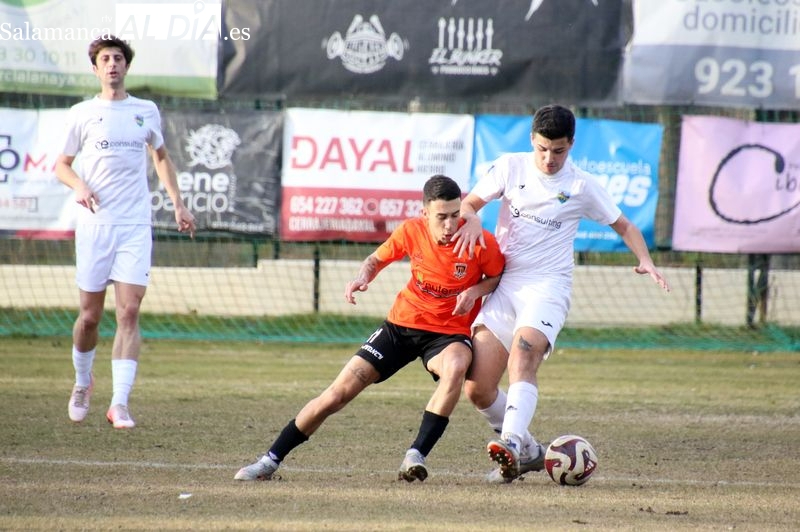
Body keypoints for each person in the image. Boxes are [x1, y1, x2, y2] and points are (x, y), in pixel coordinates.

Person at [234, 175, 505, 482]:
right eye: (441, 217)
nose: (449, 225)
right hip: (400, 326)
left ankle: (415, 455)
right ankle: (269, 461)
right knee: (338, 393)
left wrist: (473, 292)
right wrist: (363, 277)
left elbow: (496, 277)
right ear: (424, 214)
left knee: (456, 367)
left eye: (455, 215)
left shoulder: (480, 242)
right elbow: (375, 259)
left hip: (448, 334)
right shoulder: (410, 231)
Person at [452, 104, 670, 483]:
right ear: (531, 142)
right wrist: (469, 218)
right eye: (541, 149)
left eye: (558, 151)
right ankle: (533, 453)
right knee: (477, 388)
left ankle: (511, 444)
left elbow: (625, 225)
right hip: (505, 285)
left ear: (571, 144)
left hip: (548, 287)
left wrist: (646, 260)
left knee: (524, 354)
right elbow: (470, 203)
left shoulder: (582, 186)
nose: (549, 159)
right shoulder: (510, 167)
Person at [55, 35, 196, 429]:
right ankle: (83, 381)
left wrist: (178, 203)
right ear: (96, 68)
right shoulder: (82, 113)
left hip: (135, 225)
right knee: (89, 316)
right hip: (95, 225)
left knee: (129, 311)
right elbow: (61, 166)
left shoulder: (145, 110)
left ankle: (119, 402)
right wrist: (79, 186)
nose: (113, 64)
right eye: (105, 59)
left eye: (118, 58)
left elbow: (162, 157)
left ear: (126, 66)